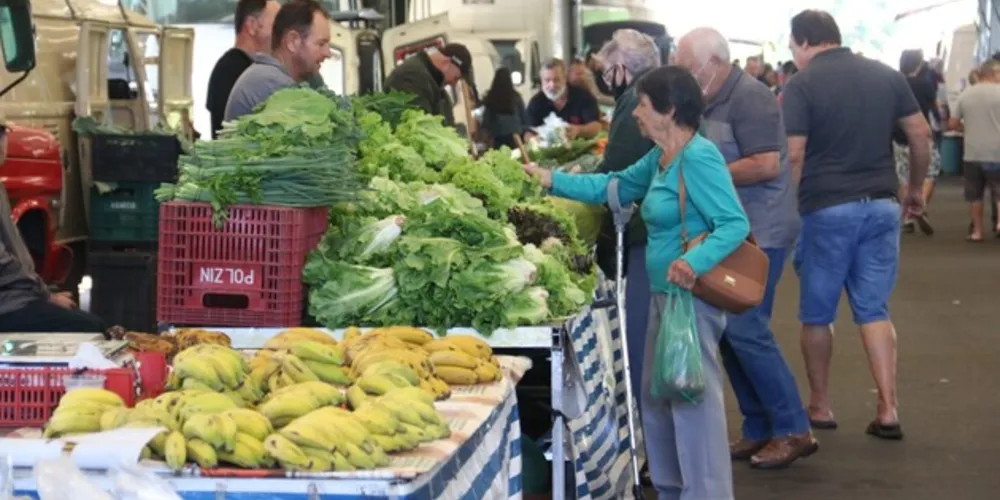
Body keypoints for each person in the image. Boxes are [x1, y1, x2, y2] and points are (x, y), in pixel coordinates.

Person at [526, 65, 748, 500]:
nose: (635, 114)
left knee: (691, 402)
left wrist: (693, 262)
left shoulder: (698, 157)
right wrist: (550, 180)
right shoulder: (661, 158)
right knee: (657, 399)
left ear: (669, 110)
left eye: (643, 106)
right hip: (665, 296)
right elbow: (615, 186)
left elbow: (734, 223)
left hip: (690, 301)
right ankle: (670, 489)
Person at [781, 10, 930, 440]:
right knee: (874, 310)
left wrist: (787, 211)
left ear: (804, 41)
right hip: (882, 205)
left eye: (792, 46)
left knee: (817, 313)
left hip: (826, 208)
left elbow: (794, 155)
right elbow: (920, 135)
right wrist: (915, 188)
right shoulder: (886, 75)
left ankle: (820, 404)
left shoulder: (801, 85)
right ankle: (888, 408)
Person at [676, 27, 815, 470]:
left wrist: (702, 172)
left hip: (762, 230)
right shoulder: (711, 99)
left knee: (746, 329)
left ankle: (793, 428)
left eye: (688, 68)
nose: (684, 76)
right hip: (734, 232)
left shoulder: (750, 98)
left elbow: (766, 164)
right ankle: (759, 427)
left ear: (714, 63)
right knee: (731, 333)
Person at [591, 28, 661, 483]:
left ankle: (655, 456)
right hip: (652, 237)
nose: (604, 78)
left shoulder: (636, 100)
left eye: (606, 70)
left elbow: (616, 174)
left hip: (645, 240)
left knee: (640, 343)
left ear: (621, 68)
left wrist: (556, 182)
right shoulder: (646, 96)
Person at [0, 120, 106, 334]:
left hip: (13, 299)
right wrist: (45, 295)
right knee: (92, 329)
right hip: (7, 306)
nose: (5, 141)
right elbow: (4, 264)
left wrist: (43, 293)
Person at [224, 0, 332, 122]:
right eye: (321, 44)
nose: (328, 53)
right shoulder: (269, 83)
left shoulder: (309, 77)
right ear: (292, 42)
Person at [205, 0, 280, 139]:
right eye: (277, 26)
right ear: (252, 26)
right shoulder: (230, 70)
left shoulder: (236, 66)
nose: (282, 34)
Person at [948, 59, 1000, 241]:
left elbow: (952, 123)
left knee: (975, 196)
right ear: (993, 73)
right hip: (997, 151)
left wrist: (967, 128)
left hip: (972, 152)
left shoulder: (966, 94)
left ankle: (977, 232)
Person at [894, 50, 941, 236]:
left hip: (898, 135)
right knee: (930, 172)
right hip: (921, 134)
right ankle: (919, 206)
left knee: (902, 176)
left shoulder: (894, 83)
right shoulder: (925, 84)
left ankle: (907, 216)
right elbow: (935, 109)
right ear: (919, 64)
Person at [384, 43, 475, 126]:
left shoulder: (436, 88)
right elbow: (417, 126)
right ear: (446, 63)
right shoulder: (414, 77)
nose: (453, 84)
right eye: (455, 78)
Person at [525, 59, 601, 140]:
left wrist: (578, 130)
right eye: (547, 80)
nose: (552, 85)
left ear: (565, 78)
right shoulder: (536, 102)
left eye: (556, 80)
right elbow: (527, 132)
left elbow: (596, 126)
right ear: (541, 81)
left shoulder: (583, 96)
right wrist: (534, 140)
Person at [480, 67, 527, 150]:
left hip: (498, 139)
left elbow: (486, 122)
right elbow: (524, 118)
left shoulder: (491, 98)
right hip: (516, 138)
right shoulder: (516, 97)